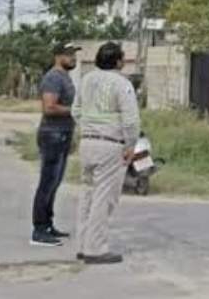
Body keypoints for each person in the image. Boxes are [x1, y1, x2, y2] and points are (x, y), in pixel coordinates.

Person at [73, 41, 139, 265]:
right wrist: (130, 144)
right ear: (119, 61)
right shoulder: (122, 84)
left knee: (87, 194)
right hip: (110, 144)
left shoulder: (86, 80)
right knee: (104, 197)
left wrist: (89, 127)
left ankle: (82, 244)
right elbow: (130, 119)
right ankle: (96, 248)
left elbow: (76, 111)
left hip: (87, 142)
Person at [30, 42, 81, 246]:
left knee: (55, 182)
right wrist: (76, 111)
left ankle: (48, 224)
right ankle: (39, 230)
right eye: (70, 55)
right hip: (53, 134)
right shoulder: (53, 77)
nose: (74, 59)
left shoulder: (65, 77)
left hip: (63, 133)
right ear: (58, 56)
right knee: (47, 182)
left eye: (75, 55)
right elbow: (49, 108)